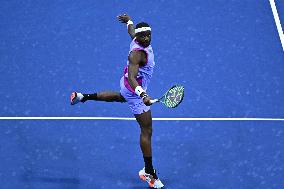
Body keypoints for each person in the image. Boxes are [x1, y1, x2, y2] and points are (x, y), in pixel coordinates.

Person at [70, 13, 164, 189]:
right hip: (135, 91)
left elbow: (131, 31)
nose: (146, 38)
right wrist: (142, 95)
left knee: (120, 97)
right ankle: (149, 172)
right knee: (146, 130)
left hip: (126, 88)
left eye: (149, 34)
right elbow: (131, 77)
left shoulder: (136, 38)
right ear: (139, 37)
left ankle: (84, 97)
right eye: (143, 36)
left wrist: (129, 21)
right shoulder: (137, 55)